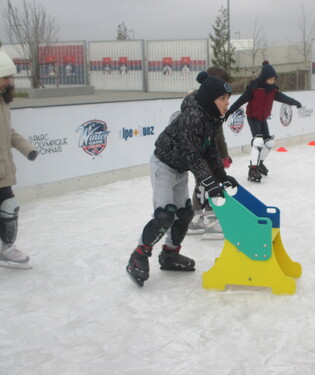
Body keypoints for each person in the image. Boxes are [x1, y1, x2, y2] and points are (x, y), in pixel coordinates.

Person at [126, 71, 238, 288]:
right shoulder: (193, 117)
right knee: (165, 215)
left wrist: (221, 176)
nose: (227, 104)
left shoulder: (211, 117)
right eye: (223, 99)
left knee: (185, 213)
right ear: (210, 99)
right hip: (164, 166)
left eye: (227, 99)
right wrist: (209, 182)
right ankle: (139, 255)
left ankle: (169, 254)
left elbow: (210, 150)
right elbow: (192, 155)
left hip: (180, 168)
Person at [224, 61, 302, 182]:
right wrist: (229, 112)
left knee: (269, 143)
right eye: (270, 79)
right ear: (264, 78)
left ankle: (259, 163)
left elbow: (284, 98)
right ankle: (253, 168)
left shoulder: (273, 90)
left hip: (262, 119)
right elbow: (241, 100)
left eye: (274, 79)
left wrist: (295, 102)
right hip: (253, 117)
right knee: (258, 141)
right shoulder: (254, 88)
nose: (272, 82)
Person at [0, 43, 38, 269]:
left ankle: (7, 248)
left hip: (4, 169)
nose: (9, 82)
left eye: (10, 78)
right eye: (6, 77)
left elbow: (8, 131)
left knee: (10, 207)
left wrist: (27, 148)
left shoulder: (3, 101)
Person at [186, 66, 233, 240]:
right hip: (198, 152)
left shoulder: (213, 104)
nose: (225, 99)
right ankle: (210, 220)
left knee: (203, 183)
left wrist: (223, 154)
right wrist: (221, 154)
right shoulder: (198, 104)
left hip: (207, 151)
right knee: (207, 182)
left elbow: (218, 134)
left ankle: (197, 218)